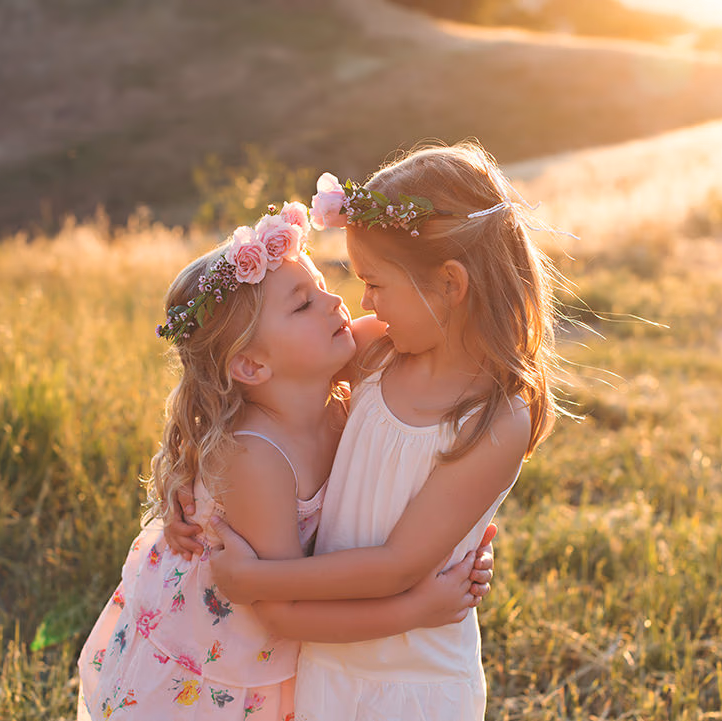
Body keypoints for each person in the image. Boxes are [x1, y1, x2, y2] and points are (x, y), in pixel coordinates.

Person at [76, 201, 496, 721]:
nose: (334, 301)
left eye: (321, 284)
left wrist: (458, 533)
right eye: (302, 305)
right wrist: (417, 610)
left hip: (290, 645)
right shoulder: (257, 459)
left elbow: (446, 345)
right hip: (222, 665)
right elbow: (282, 613)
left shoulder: (350, 364)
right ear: (252, 365)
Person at [198, 141, 563, 721]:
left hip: (415, 682)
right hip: (327, 659)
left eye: (375, 282)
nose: (361, 300)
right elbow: (270, 367)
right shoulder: (379, 349)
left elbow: (397, 565)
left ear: (450, 284)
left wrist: (261, 578)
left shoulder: (493, 421)